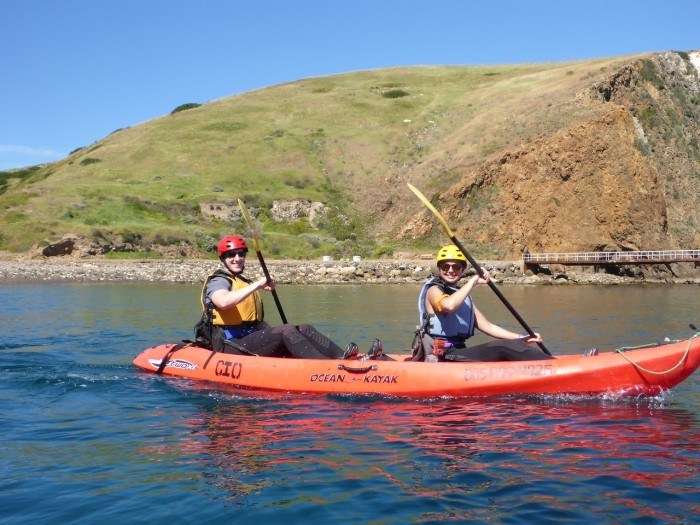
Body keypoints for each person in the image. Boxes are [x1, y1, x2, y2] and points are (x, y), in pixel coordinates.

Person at [194, 234, 372, 359]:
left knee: (303, 328)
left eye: (241, 254)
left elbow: (253, 321)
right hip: (229, 345)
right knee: (286, 330)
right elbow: (223, 302)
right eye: (231, 255)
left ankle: (343, 358)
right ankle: (327, 369)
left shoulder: (243, 281)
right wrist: (258, 284)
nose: (237, 258)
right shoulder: (218, 281)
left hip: (249, 339)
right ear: (223, 258)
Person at [414, 245, 554, 362]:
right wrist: (473, 281)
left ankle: (551, 364)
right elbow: (449, 306)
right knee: (502, 348)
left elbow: (488, 327)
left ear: (462, 270)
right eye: (445, 267)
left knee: (514, 345)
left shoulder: (463, 297)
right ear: (439, 269)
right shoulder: (433, 290)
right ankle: (554, 367)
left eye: (456, 267)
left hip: (458, 352)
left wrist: (521, 338)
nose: (450, 271)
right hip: (441, 355)